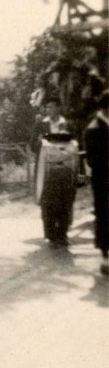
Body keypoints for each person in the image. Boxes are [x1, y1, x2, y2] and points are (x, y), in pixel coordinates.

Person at [29, 98, 74, 248]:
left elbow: (74, 145)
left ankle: (63, 234)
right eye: (47, 107)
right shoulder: (41, 124)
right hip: (46, 170)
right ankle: (51, 236)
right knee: (48, 204)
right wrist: (40, 142)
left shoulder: (66, 123)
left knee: (64, 202)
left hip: (65, 168)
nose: (50, 110)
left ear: (58, 108)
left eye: (52, 107)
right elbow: (32, 146)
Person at [84, 90, 109, 275]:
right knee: (104, 215)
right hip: (103, 179)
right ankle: (105, 256)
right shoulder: (94, 129)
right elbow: (93, 160)